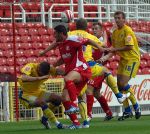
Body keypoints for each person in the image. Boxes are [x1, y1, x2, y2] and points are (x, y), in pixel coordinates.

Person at [40, 25, 104, 129]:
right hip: (73, 72)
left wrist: (100, 47)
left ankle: (74, 106)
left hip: (82, 69)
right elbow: (63, 58)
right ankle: (76, 123)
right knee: (64, 97)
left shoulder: (72, 39)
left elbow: (87, 40)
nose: (54, 36)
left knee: (67, 79)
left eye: (55, 33)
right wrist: (53, 66)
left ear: (61, 33)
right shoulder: (61, 44)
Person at [68, 18, 130, 105]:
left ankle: (82, 116)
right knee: (105, 71)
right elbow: (104, 44)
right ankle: (119, 96)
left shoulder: (69, 35)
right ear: (86, 27)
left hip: (73, 68)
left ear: (76, 26)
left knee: (82, 95)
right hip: (86, 65)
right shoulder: (89, 36)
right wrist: (104, 34)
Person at [104, 11, 141, 120]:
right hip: (124, 59)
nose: (117, 20)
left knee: (122, 83)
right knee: (119, 86)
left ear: (124, 20)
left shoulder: (127, 30)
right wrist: (105, 57)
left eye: (119, 18)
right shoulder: (115, 32)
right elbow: (113, 50)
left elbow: (129, 47)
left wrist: (114, 49)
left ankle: (136, 106)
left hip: (132, 59)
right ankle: (127, 110)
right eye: (115, 18)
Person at [18, 61, 65, 129]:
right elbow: (23, 78)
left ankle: (44, 119)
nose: (41, 75)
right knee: (41, 102)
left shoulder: (49, 69)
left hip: (38, 92)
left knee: (57, 99)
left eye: (43, 74)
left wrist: (62, 70)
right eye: (40, 73)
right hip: (26, 95)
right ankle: (58, 124)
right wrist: (39, 78)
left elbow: (61, 72)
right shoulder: (30, 66)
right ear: (38, 67)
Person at [86, 22, 113, 121]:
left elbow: (111, 51)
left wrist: (105, 58)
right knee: (96, 93)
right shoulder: (92, 40)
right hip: (92, 69)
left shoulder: (101, 42)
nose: (94, 30)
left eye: (96, 28)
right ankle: (108, 112)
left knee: (89, 90)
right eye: (93, 28)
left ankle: (88, 115)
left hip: (98, 70)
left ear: (102, 31)